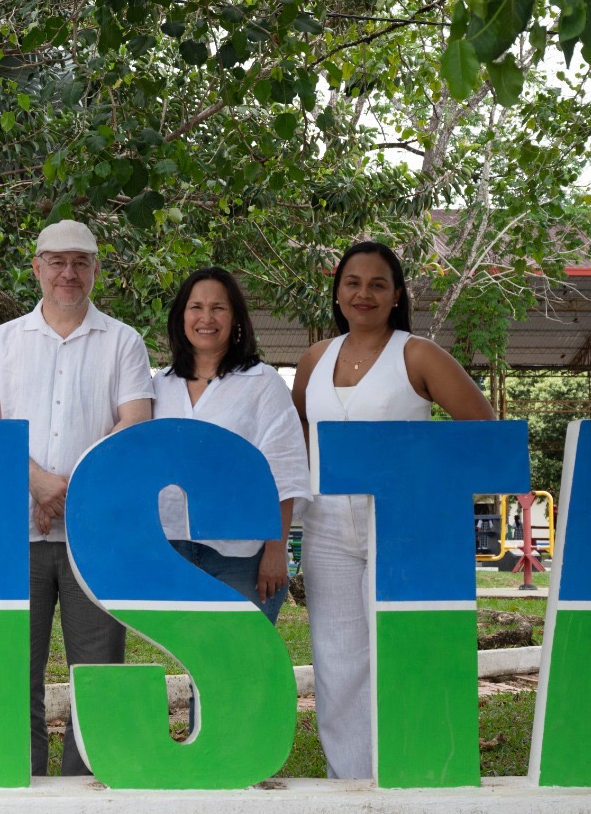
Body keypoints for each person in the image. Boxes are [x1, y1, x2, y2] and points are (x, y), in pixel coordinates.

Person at [291, 240, 495, 780]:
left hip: (401, 522)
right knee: (337, 661)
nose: (364, 293)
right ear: (337, 292)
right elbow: (299, 439)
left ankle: (412, 774)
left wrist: (436, 498)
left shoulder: (418, 354)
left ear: (397, 294)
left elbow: (485, 432)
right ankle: (352, 784)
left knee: (404, 650)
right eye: (353, 282)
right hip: (327, 525)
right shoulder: (314, 358)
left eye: (378, 284)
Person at [0, 219, 154, 777]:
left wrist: (67, 488)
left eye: (79, 261)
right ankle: (23, 776)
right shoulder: (3, 340)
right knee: (14, 666)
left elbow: (134, 425)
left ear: (97, 269)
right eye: (56, 261)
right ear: (37, 268)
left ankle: (84, 780)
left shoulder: (124, 341)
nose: (67, 272)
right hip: (15, 532)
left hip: (92, 535)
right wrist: (38, 483)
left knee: (95, 664)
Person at [155, 266, 310, 623]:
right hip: (171, 548)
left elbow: (283, 472)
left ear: (236, 317)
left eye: (218, 308)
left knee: (239, 668)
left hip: (243, 555)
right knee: (195, 661)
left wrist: (275, 551)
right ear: (181, 317)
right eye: (196, 307)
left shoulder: (262, 383)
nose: (206, 318)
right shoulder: (160, 385)